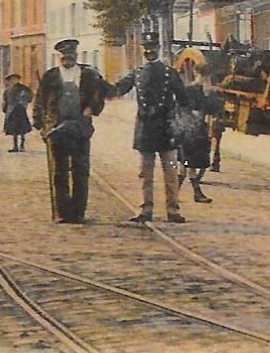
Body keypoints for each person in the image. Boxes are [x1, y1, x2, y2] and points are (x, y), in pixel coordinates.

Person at [111, 33, 187, 222]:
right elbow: (117, 89)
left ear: (159, 49)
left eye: (152, 48)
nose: (149, 52)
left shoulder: (170, 73)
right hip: (145, 129)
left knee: (170, 171)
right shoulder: (137, 73)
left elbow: (184, 99)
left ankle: (173, 210)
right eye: (146, 48)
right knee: (145, 173)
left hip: (167, 130)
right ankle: (145, 209)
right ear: (142, 50)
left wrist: (180, 121)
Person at [32, 38, 108, 224]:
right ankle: (61, 212)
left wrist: (92, 108)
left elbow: (99, 96)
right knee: (58, 173)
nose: (68, 58)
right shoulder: (50, 76)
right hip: (55, 129)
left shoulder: (88, 75)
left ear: (76, 55)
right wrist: (40, 125)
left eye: (71, 55)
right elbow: (39, 101)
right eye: (64, 55)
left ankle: (78, 212)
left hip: (79, 128)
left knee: (81, 171)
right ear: (59, 57)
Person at [175, 84, 218, 205]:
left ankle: (174, 194)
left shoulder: (185, 104)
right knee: (188, 166)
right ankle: (196, 193)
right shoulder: (188, 100)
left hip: (189, 135)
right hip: (188, 136)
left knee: (186, 167)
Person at [1, 73, 34, 152]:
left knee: (22, 129)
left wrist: (24, 101)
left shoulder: (23, 88)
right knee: (13, 129)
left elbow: (30, 97)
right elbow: (5, 101)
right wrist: (5, 109)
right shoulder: (7, 90)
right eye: (11, 80)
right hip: (11, 112)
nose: (13, 81)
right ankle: (15, 146)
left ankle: (22, 145)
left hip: (20, 111)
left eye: (15, 79)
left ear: (18, 80)